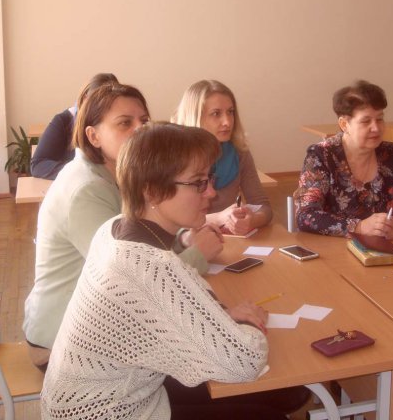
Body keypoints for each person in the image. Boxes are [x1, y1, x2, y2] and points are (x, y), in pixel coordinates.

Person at [40, 123, 294, 420]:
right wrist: (247, 323)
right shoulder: (149, 267)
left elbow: (174, 308)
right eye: (198, 183)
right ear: (152, 191)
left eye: (209, 179)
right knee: (269, 410)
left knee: (283, 394)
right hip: (109, 413)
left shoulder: (115, 228)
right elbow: (245, 362)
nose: (211, 192)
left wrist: (222, 318)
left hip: (104, 399)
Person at [23, 83, 220, 371]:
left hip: (99, 327)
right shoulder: (87, 190)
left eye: (144, 121)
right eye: (125, 123)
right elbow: (128, 284)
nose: (139, 130)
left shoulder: (113, 174)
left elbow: (142, 239)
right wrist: (197, 256)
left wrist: (182, 240)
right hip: (61, 344)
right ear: (93, 136)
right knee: (208, 363)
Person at [295, 80, 393, 239]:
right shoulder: (321, 155)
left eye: (379, 119)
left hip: (387, 247)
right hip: (335, 248)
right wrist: (359, 227)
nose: (376, 128)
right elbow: (306, 215)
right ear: (344, 124)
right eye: (366, 121)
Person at [172, 80, 273, 236]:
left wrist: (252, 220)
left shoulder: (239, 152)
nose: (227, 122)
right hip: (185, 244)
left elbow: (263, 206)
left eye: (230, 112)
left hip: (226, 241)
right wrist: (218, 218)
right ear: (195, 116)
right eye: (216, 114)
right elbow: (171, 221)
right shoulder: (173, 156)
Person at [30, 73, 118, 179]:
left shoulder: (117, 126)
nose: (104, 110)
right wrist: (81, 171)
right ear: (85, 99)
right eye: (100, 103)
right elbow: (38, 164)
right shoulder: (63, 121)